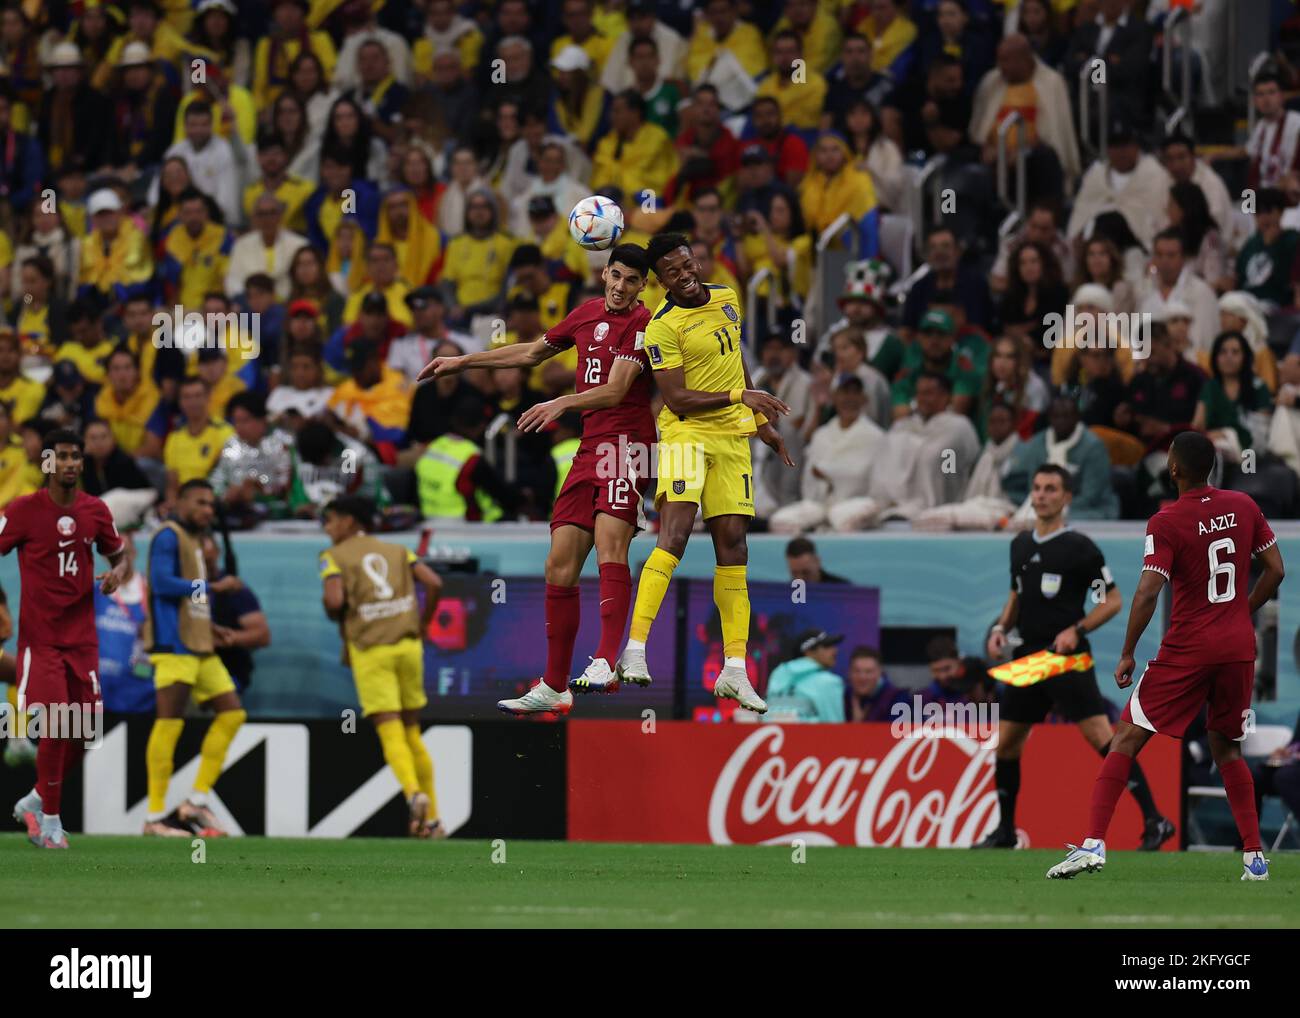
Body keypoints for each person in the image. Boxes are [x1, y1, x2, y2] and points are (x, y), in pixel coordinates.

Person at [421, 245, 656, 710]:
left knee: (611, 544)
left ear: (642, 286)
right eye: (616, 276)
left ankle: (607, 660)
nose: (621, 286)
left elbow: (616, 390)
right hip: (591, 448)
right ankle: (554, 684)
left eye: (632, 280)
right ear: (604, 273)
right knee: (559, 564)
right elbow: (531, 353)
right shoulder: (585, 314)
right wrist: (463, 362)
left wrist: (562, 402)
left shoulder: (646, 324)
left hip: (629, 446)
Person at [1048, 431, 1286, 881]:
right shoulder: (1244, 505)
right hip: (1238, 648)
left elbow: (1148, 590)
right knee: (1228, 749)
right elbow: (1276, 569)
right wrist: (1241, 612)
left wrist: (1127, 652)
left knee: (1125, 739)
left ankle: (1094, 844)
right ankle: (1254, 857)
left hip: (1189, 648)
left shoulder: (1166, 520)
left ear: (1173, 469)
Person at [615, 233, 791, 712]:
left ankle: (735, 669)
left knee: (734, 547)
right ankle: (633, 650)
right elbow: (677, 399)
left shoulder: (728, 298)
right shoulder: (662, 327)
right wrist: (741, 399)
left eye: (688, 264)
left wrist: (760, 422)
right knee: (673, 536)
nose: (686, 274)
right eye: (673, 271)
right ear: (660, 281)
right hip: (685, 436)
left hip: (733, 440)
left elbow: (737, 366)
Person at [983, 463, 1171, 849]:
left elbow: (1113, 601)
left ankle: (1155, 820)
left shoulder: (1080, 548)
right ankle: (1005, 831)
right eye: (1036, 488)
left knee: (1106, 740)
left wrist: (1077, 630)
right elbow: (1016, 594)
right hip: (1031, 661)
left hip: (1067, 661)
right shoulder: (1019, 544)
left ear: (1067, 497)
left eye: (1051, 489)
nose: (1041, 495)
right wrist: (1001, 628)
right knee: (1007, 746)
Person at [1, 428, 129, 849]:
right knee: (59, 718)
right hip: (42, 641)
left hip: (82, 639)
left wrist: (116, 576)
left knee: (85, 729)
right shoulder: (22, 511)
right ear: (48, 463)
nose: (72, 463)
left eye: (77, 456)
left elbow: (121, 556)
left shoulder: (96, 511)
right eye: (64, 456)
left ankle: (37, 798)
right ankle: (52, 822)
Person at [320, 495, 444, 837]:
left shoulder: (333, 557)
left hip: (371, 650)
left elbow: (334, 600)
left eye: (331, 520)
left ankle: (413, 793)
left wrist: (334, 611)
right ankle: (432, 820)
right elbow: (434, 583)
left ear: (348, 521)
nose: (328, 528)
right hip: (408, 646)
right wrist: (423, 623)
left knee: (389, 730)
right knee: (412, 732)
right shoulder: (398, 551)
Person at [140, 479, 247, 837]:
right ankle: (155, 817)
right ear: (179, 501)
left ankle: (196, 801)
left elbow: (189, 598)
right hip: (173, 646)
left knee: (232, 714)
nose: (207, 510)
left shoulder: (196, 543)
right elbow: (161, 582)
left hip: (199, 644)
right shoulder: (168, 535)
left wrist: (210, 624)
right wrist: (213, 587)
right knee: (169, 724)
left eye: (211, 505)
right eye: (200, 503)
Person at [762, 630, 847, 723]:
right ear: (808, 651)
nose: (834, 650)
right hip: (809, 737)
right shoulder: (830, 682)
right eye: (826, 646)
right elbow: (835, 729)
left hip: (769, 735)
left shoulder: (778, 673)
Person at [844, 645, 908, 722]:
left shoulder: (897, 699)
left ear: (880, 673)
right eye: (857, 671)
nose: (862, 677)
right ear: (849, 673)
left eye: (868, 672)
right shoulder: (844, 696)